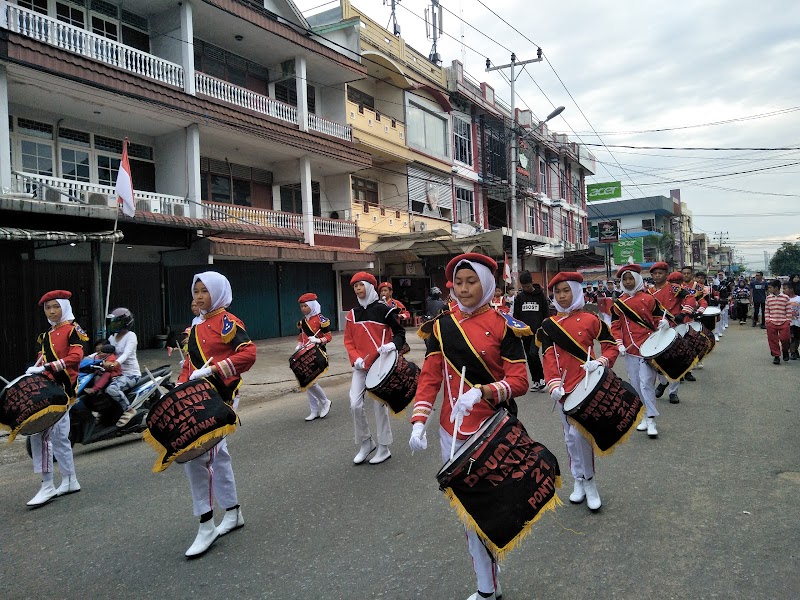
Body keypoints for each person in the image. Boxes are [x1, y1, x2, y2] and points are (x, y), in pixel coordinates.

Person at [409, 253, 529, 600]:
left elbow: (520, 379)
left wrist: (483, 392)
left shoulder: (505, 325)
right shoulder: (441, 327)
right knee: (468, 514)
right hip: (452, 432)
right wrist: (419, 421)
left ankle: (487, 582)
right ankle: (488, 582)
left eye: (470, 281)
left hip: (492, 431)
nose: (463, 289)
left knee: (486, 510)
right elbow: (430, 378)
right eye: (458, 283)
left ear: (487, 283)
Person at [178, 271, 257, 558]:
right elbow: (189, 364)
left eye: (204, 291)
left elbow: (248, 354)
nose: (198, 296)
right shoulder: (196, 326)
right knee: (217, 455)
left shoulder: (227, 321)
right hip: (197, 396)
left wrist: (213, 370)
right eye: (195, 290)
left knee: (199, 456)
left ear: (218, 292)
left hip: (222, 397)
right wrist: (180, 388)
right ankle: (233, 512)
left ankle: (206, 523)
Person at [537, 272, 618, 512]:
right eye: (557, 292)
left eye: (566, 291)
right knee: (570, 437)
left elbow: (611, 346)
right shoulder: (548, 325)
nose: (561, 296)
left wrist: (601, 362)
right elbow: (548, 356)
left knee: (582, 437)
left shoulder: (591, 319)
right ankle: (578, 480)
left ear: (576, 290)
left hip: (587, 387)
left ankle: (590, 482)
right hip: (563, 389)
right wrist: (552, 383)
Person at [24, 290, 87, 507]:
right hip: (50, 388)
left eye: (55, 307)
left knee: (40, 435)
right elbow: (43, 358)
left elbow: (76, 357)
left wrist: (50, 366)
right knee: (59, 436)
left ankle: (47, 485)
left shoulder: (72, 329)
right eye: (47, 308)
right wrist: (36, 368)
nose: (51, 311)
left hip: (63, 390)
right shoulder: (47, 335)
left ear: (64, 307)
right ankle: (70, 480)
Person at [344, 271, 406, 465]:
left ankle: (384, 446)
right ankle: (365, 442)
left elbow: (400, 333)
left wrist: (392, 345)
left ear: (370, 287)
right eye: (355, 286)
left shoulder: (383, 309)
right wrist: (356, 359)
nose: (358, 289)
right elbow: (348, 341)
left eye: (361, 285)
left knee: (379, 407)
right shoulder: (352, 314)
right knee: (354, 403)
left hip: (380, 366)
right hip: (361, 366)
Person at [612, 264, 672, 438]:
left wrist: (664, 323)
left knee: (646, 384)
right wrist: (619, 343)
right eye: (625, 279)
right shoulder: (618, 304)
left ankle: (652, 419)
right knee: (636, 386)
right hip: (630, 350)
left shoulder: (649, 299)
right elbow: (615, 326)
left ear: (637, 279)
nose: (628, 282)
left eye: (631, 278)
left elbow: (659, 317)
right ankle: (644, 416)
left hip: (648, 349)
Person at [649, 265, 695, 404]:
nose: (657, 276)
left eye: (660, 273)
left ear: (666, 274)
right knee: (655, 360)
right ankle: (663, 382)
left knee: (675, 361)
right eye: (655, 273)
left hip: (673, 327)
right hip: (656, 328)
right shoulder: (648, 291)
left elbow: (690, 298)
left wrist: (683, 313)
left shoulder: (674, 288)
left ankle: (673, 392)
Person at [295, 292, 332, 421]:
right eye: (301, 306)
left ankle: (325, 401)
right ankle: (314, 410)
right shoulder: (303, 322)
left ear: (312, 305)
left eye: (305, 306)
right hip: (305, 353)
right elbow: (302, 336)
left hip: (317, 352)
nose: (303, 308)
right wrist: (299, 344)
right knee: (307, 382)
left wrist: (318, 340)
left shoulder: (321, 319)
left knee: (311, 381)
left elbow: (329, 337)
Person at [105, 307, 142, 427]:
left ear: (126, 323)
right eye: (113, 322)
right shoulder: (112, 338)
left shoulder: (131, 336)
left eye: (117, 322)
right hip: (116, 373)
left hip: (131, 374)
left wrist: (116, 363)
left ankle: (129, 410)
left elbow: (126, 354)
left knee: (112, 389)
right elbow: (104, 352)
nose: (114, 324)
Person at [513, 271, 549, 392]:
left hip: (537, 332)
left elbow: (546, 313)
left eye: (527, 286)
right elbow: (516, 315)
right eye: (523, 287)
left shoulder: (540, 296)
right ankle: (536, 381)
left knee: (534, 353)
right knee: (529, 356)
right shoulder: (519, 297)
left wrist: (544, 327)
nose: (526, 289)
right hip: (524, 332)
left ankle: (543, 379)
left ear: (531, 283)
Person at [764, 279, 792, 364]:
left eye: (770, 287)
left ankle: (785, 351)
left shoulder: (785, 297)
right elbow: (767, 310)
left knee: (785, 338)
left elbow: (788, 310)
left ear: (776, 288)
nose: (769, 289)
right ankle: (776, 356)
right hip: (772, 322)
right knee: (773, 340)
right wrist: (767, 320)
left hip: (784, 322)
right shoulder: (768, 298)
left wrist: (788, 321)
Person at [785, 281, 800, 360]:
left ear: (791, 289)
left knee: (797, 338)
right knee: (791, 337)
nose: (784, 290)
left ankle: (795, 350)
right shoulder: (785, 299)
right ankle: (792, 352)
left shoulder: (798, 298)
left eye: (785, 288)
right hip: (788, 322)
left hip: (797, 322)